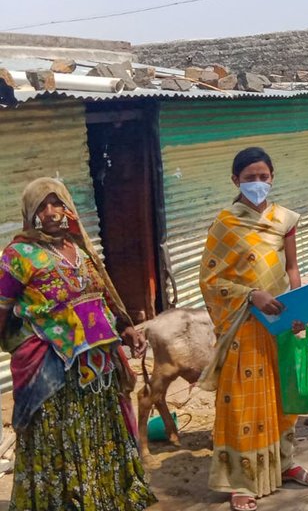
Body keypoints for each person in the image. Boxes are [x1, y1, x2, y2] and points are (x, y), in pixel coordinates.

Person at [0, 177, 156, 510]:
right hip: (53, 370)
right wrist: (16, 343)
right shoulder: (18, 254)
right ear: (30, 213)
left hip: (97, 365)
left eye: (58, 203)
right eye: (42, 206)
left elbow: (101, 296)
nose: (52, 212)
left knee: (99, 431)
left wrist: (125, 327)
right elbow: (1, 308)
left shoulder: (81, 248)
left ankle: (103, 497)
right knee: (59, 437)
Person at [198, 147, 308, 511]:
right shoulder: (225, 223)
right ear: (235, 180)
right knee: (243, 403)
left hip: (281, 320)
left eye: (263, 177)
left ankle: (284, 463)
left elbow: (293, 267)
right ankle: (241, 480)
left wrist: (299, 309)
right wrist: (251, 295)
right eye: (249, 178)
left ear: (272, 177)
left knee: (283, 397)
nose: (257, 183)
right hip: (243, 326)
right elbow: (210, 280)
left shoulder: (285, 218)